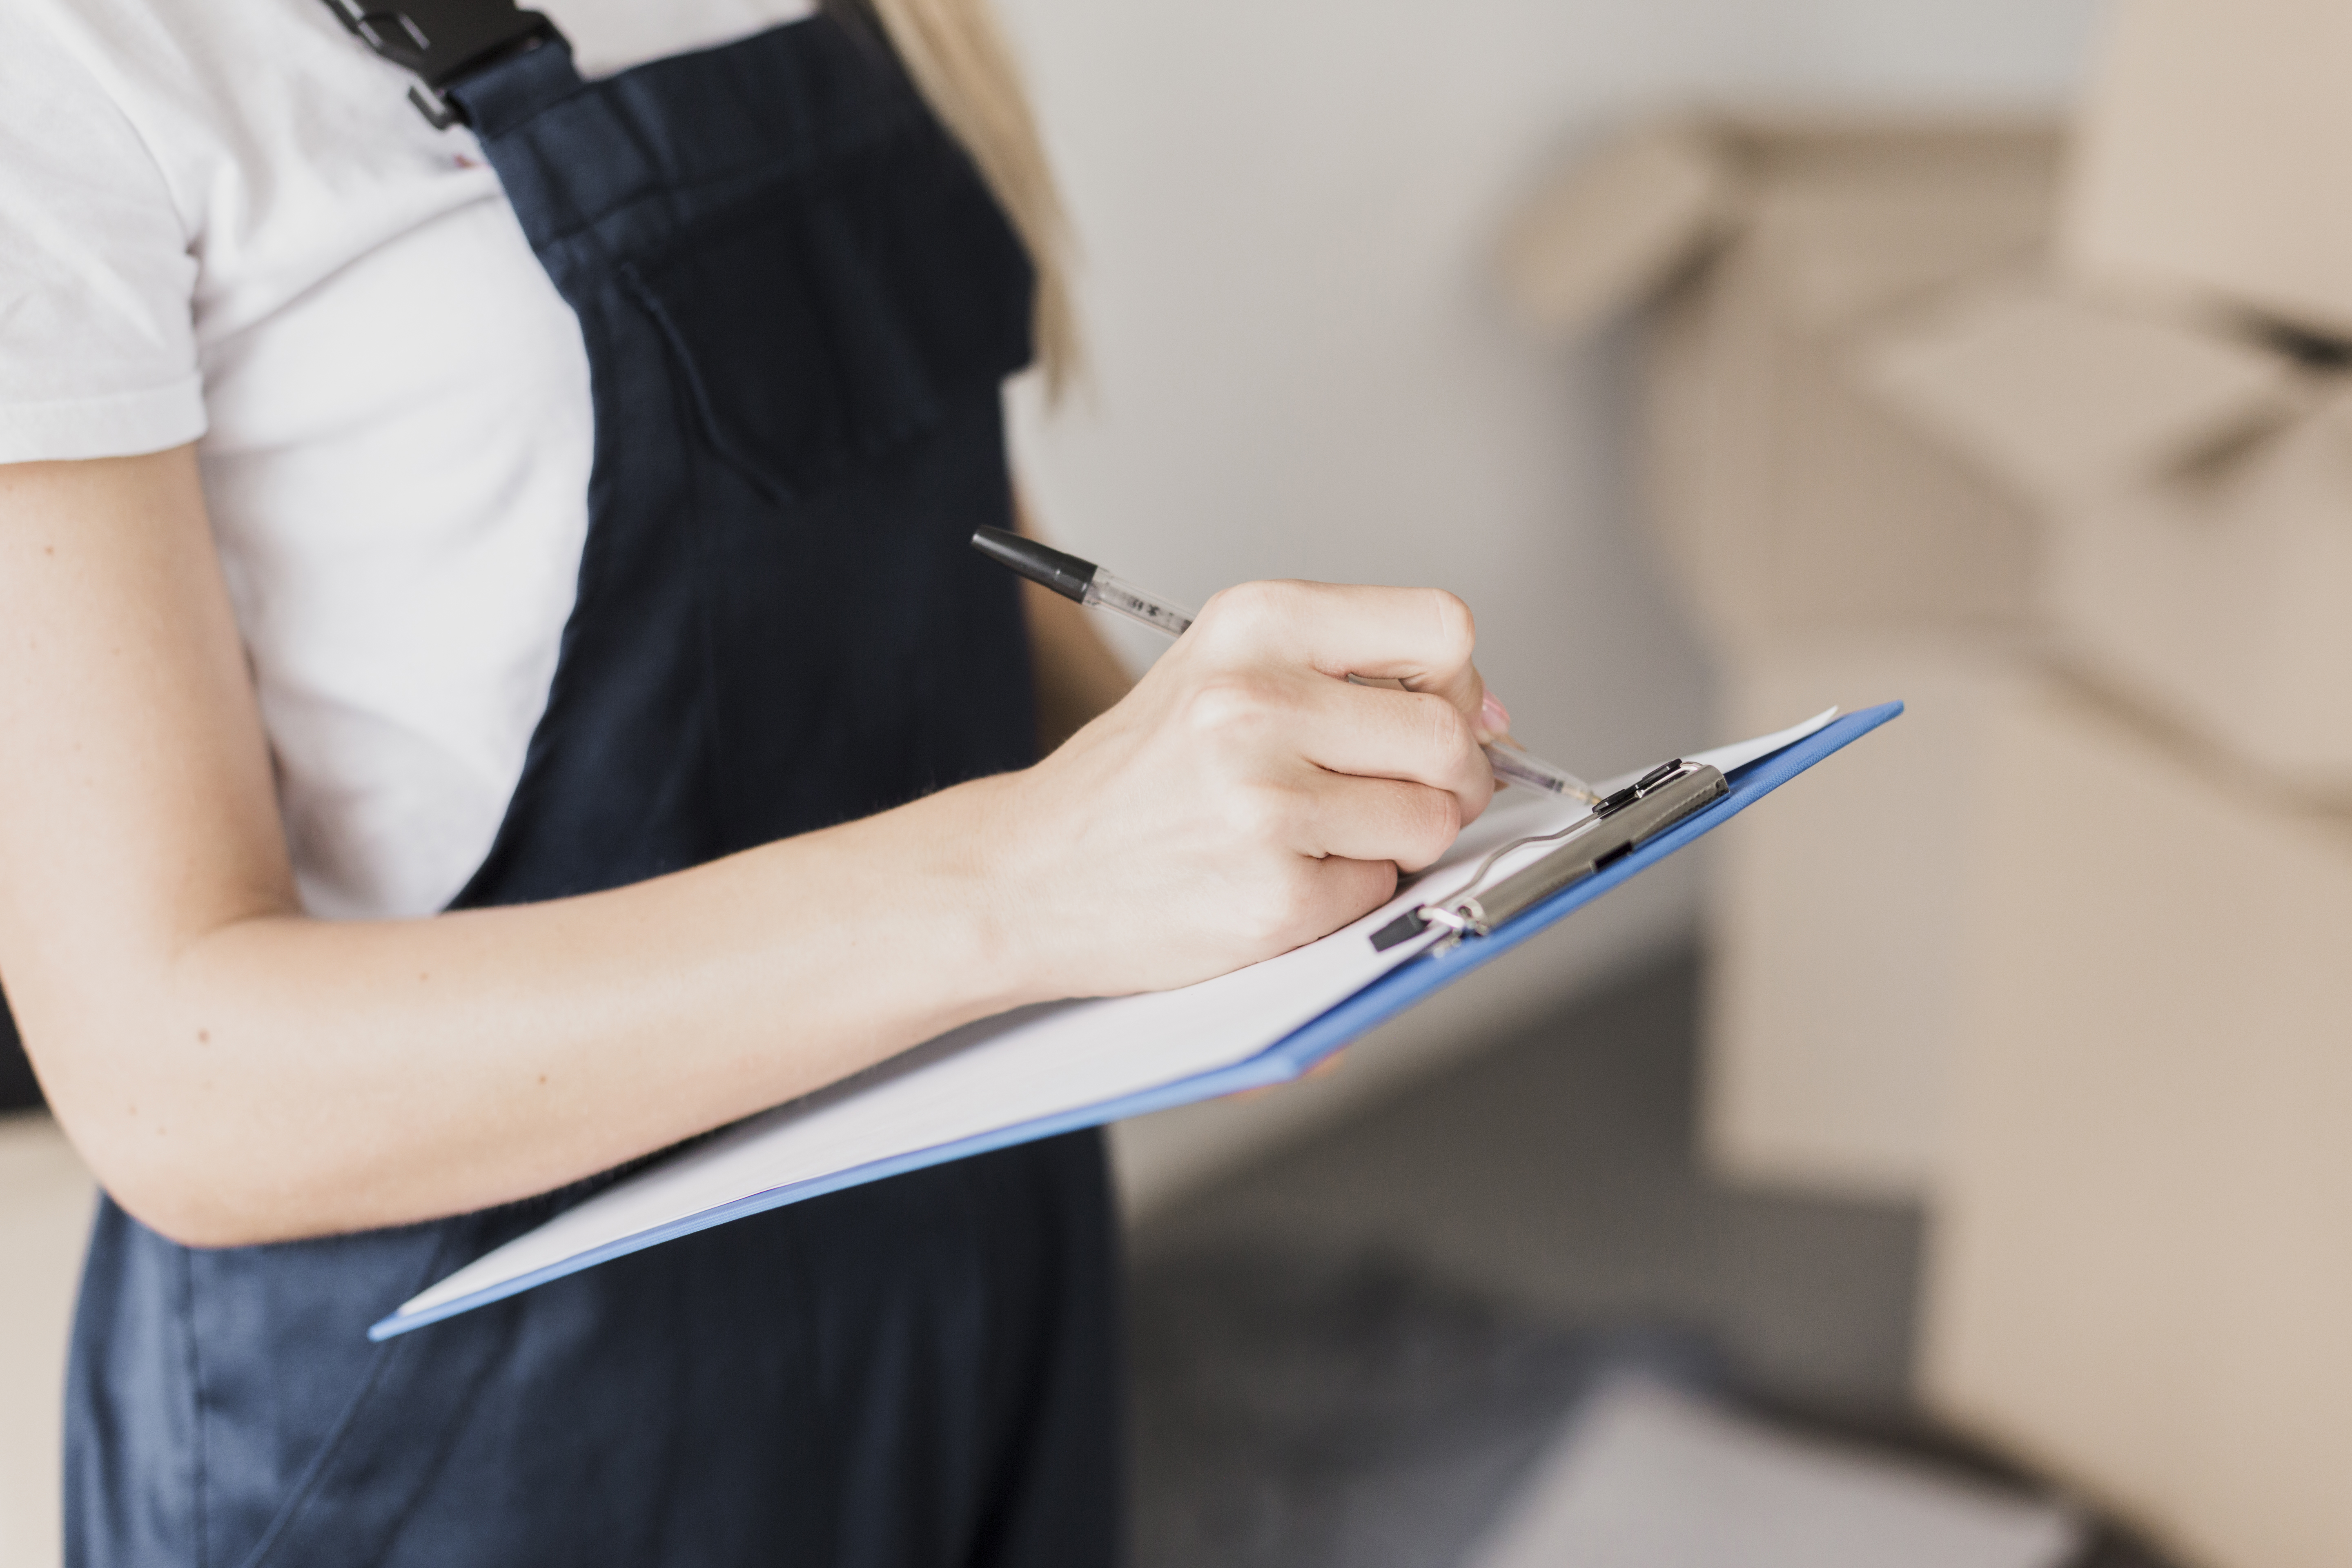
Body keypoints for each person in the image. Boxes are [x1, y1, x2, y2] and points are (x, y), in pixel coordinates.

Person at [0, 0, 1512, 1561]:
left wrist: (1255, 863)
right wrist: (1029, 878)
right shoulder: (65, 63)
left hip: (968, 1282)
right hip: (481, 1423)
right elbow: (170, 1080)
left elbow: (946, 566)